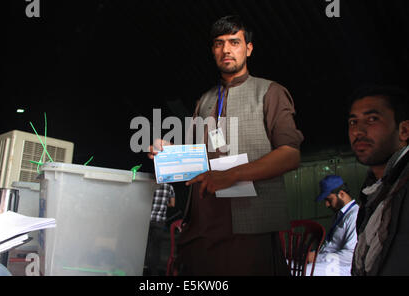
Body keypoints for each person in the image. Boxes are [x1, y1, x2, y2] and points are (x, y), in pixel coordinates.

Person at [149, 15, 303, 275]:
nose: (226, 49)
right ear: (213, 50)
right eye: (219, 43)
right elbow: (196, 154)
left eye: (234, 42)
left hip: (248, 226)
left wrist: (230, 175)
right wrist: (168, 150)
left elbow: (290, 156)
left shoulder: (270, 92)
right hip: (202, 225)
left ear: (249, 48)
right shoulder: (205, 99)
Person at [347, 85, 409, 276]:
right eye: (353, 122)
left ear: (404, 130)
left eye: (372, 119)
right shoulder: (373, 191)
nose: (358, 131)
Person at [305, 175, 359, 276]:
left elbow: (351, 255)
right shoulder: (340, 215)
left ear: (342, 194)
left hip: (343, 267)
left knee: (303, 272)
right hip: (327, 262)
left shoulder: (355, 215)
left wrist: (317, 257)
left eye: (329, 200)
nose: (327, 204)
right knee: (285, 265)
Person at [144, 183, 175, 276]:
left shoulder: (151, 185)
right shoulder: (169, 187)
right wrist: (164, 204)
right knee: (156, 247)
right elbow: (173, 204)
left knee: (145, 245)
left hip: (146, 220)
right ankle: (153, 271)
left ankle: (141, 267)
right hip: (159, 221)